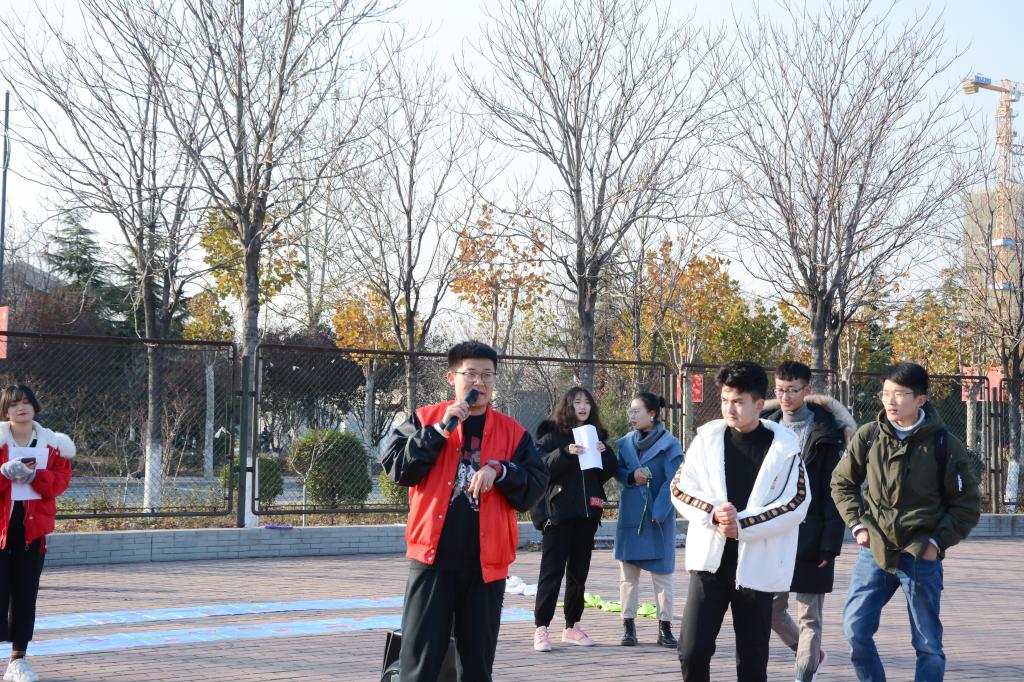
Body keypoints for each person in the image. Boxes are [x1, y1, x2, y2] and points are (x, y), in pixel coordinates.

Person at [382, 341, 547, 682]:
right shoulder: (426, 419)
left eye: (487, 375)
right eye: (470, 373)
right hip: (433, 561)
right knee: (418, 665)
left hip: (486, 568)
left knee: (476, 667)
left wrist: (500, 470)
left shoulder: (512, 432)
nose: (479, 382)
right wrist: (438, 431)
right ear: (452, 377)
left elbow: (534, 485)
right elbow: (397, 467)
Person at [831, 362, 980, 682]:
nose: (890, 400)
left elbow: (967, 504)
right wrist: (858, 525)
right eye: (885, 393)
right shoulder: (869, 436)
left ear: (921, 399)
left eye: (899, 394)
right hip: (875, 551)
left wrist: (936, 543)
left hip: (920, 553)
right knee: (855, 629)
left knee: (928, 644)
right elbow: (841, 483)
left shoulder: (944, 444)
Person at [671, 361, 810, 682]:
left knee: (751, 662)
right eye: (724, 400)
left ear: (758, 405)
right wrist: (714, 514)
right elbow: (679, 488)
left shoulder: (785, 447)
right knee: (691, 650)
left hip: (756, 567)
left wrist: (743, 525)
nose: (729, 408)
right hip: (710, 563)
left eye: (737, 401)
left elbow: (796, 502)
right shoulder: (706, 439)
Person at [762, 361, 855, 682]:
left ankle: (804, 673)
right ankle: (807, 651)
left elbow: (834, 493)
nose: (786, 397)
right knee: (770, 609)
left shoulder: (828, 434)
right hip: (773, 534)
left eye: (793, 390)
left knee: (809, 617)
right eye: (780, 390)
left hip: (813, 536)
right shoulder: (766, 430)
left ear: (807, 390)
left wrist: (830, 544)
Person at [530, 387, 617, 651]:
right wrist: (566, 452)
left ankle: (572, 626)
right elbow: (541, 466)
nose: (583, 407)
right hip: (558, 515)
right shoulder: (551, 435)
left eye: (587, 403)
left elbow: (606, 473)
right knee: (551, 572)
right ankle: (541, 628)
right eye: (577, 402)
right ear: (567, 406)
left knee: (579, 574)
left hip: (587, 514)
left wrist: (605, 453)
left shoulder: (595, 435)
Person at [0, 384, 74, 682]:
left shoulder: (53, 444)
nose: (21, 407)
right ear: (5, 410)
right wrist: (4, 473)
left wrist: (35, 475)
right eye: (14, 403)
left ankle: (18, 661)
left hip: (32, 534)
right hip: (0, 531)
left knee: (25, 594)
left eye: (26, 402)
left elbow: (60, 481)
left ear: (35, 406)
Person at [613, 392, 683, 648]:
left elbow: (674, 480)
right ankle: (628, 627)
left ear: (652, 414)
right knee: (628, 576)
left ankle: (665, 629)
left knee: (662, 576)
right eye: (630, 411)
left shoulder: (670, 445)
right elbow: (618, 472)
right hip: (631, 515)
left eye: (636, 411)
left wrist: (660, 512)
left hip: (658, 519)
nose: (631, 416)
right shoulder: (625, 443)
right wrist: (632, 476)